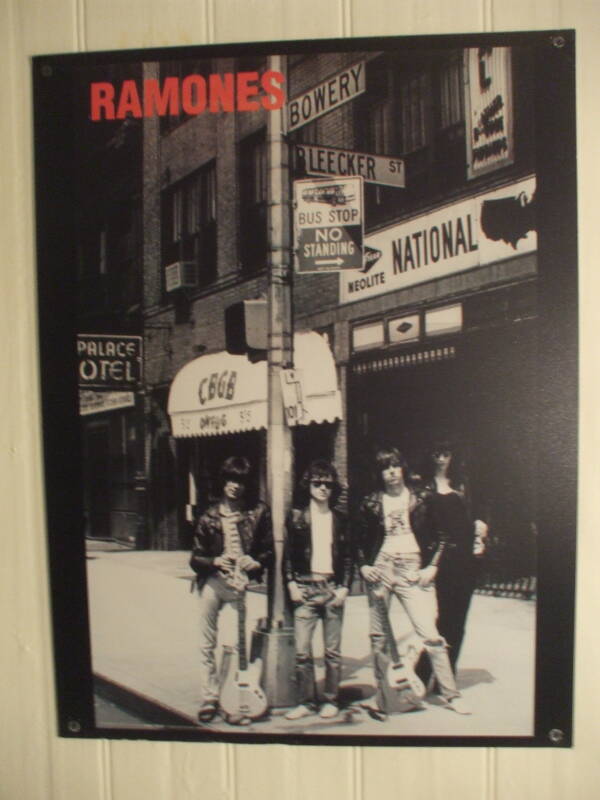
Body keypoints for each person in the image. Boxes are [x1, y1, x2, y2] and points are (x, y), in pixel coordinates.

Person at [356, 446, 471, 719]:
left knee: (430, 634)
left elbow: (442, 536)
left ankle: (450, 694)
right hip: (382, 568)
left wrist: (432, 566)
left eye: (395, 465)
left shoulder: (421, 498)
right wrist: (364, 565)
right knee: (378, 637)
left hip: (411, 568)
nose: (392, 472)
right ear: (380, 473)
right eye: (385, 467)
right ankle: (383, 695)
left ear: (403, 468)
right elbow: (358, 540)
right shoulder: (371, 501)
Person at [190, 456, 273, 724]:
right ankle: (209, 698)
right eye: (230, 480)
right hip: (213, 582)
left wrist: (257, 562)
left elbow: (269, 549)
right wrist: (214, 561)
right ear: (223, 481)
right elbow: (195, 558)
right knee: (207, 643)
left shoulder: (257, 512)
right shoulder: (209, 516)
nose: (234, 486)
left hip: (239, 585)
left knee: (235, 645)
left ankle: (232, 697)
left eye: (240, 481)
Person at [283, 460, 353, 720]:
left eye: (328, 484)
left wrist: (345, 587)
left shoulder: (340, 518)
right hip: (305, 587)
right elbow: (288, 554)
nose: (323, 488)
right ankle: (306, 701)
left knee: (332, 652)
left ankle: (331, 700)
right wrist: (291, 583)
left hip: (332, 587)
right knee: (302, 652)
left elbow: (347, 557)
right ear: (309, 485)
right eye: (317, 483)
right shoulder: (297, 516)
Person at [415, 442, 488, 688]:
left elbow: (478, 513)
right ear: (430, 456)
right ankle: (423, 674)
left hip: (466, 560)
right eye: (437, 453)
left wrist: (481, 524)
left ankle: (446, 677)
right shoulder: (424, 488)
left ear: (452, 456)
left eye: (446, 453)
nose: (442, 458)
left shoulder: (462, 485)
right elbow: (422, 529)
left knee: (459, 621)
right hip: (442, 560)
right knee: (445, 619)